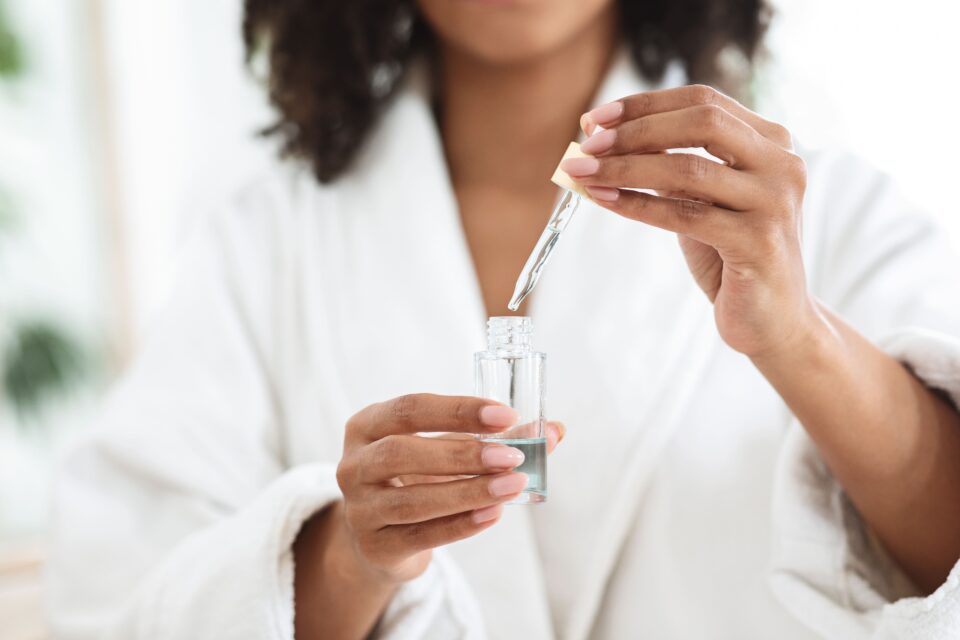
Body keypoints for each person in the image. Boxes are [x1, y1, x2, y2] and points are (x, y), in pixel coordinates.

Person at [47, 1, 960, 638]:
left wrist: (797, 337)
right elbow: (119, 603)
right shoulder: (263, 245)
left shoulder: (828, 211)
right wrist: (347, 558)